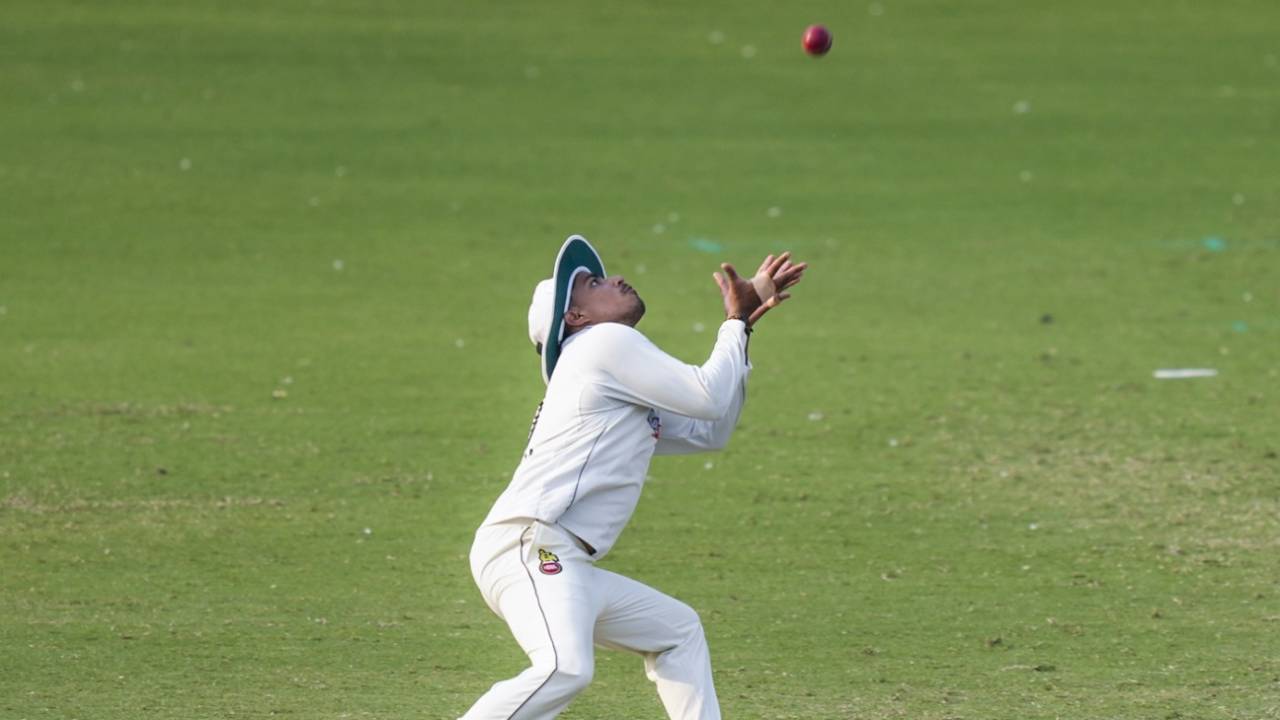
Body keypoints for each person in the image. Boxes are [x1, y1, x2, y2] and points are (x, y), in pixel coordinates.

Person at [460, 235, 806, 720]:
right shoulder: (602, 343)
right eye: (595, 284)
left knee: (677, 631)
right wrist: (732, 323)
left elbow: (710, 430)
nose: (616, 278)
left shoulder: (606, 380)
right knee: (565, 668)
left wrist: (742, 331)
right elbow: (709, 396)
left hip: (558, 556)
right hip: (530, 543)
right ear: (575, 319)